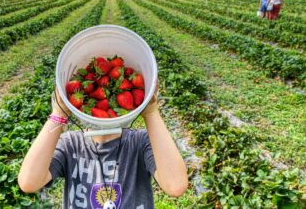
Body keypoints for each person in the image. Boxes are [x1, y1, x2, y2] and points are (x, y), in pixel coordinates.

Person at [18, 86, 189, 208]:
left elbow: (176, 185)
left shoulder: (140, 142)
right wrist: (58, 113)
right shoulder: (70, 144)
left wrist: (151, 111)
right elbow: (28, 182)